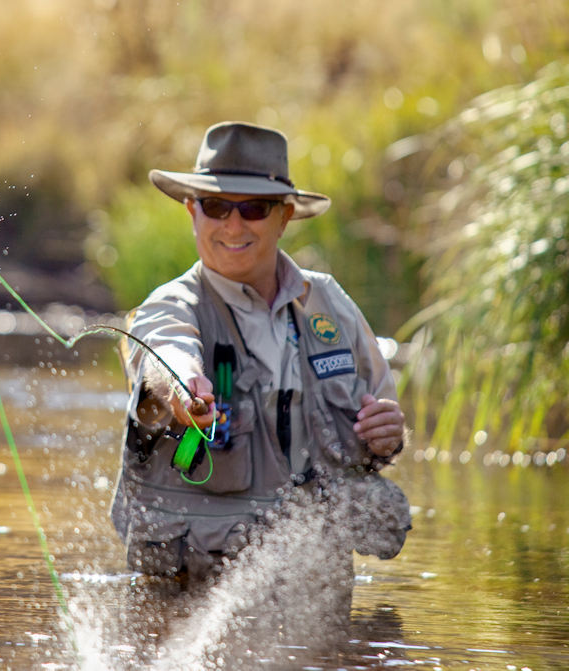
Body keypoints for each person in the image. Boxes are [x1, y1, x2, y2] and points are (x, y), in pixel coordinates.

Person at [111, 121, 411, 581]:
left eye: (253, 208)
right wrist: (182, 388)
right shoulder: (171, 305)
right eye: (215, 206)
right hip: (186, 596)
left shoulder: (329, 303)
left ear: (284, 215)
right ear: (192, 211)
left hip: (315, 598)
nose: (233, 224)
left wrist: (388, 436)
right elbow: (163, 350)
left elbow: (378, 427)